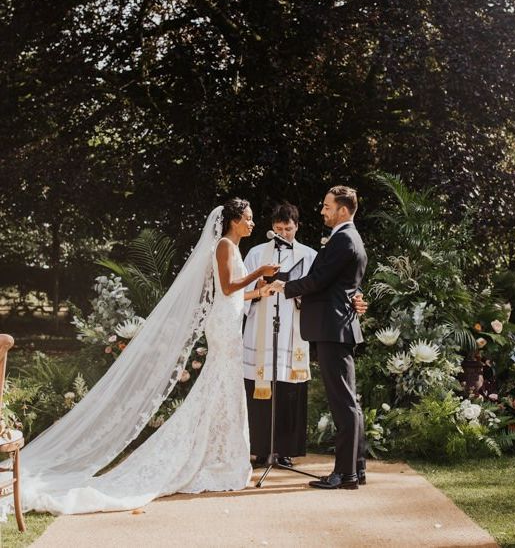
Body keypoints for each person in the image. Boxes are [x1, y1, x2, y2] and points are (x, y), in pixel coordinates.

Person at [18, 199, 279, 514]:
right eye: (248, 218)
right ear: (233, 221)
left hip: (229, 321)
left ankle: (220, 455)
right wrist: (259, 273)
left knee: (223, 389)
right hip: (224, 328)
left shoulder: (232, 248)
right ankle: (212, 456)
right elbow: (226, 287)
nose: (253, 223)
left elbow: (234, 293)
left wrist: (259, 292)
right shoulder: (224, 245)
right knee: (219, 387)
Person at [274, 185, 368, 490]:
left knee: (343, 402)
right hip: (338, 325)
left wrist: (283, 288)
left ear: (342, 210)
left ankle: (345, 474)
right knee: (349, 400)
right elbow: (332, 282)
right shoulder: (349, 238)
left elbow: (317, 280)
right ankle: (357, 468)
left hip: (333, 327)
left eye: (327, 207)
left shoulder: (343, 240)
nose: (322, 211)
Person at [242, 202, 318, 467]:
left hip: (292, 331)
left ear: (296, 226)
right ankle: (261, 449)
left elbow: (318, 292)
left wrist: (299, 294)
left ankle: (285, 450)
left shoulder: (309, 255)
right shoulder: (255, 254)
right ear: (271, 228)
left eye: (288, 228)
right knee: (260, 390)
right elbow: (242, 291)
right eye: (278, 228)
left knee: (288, 390)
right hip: (261, 329)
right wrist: (260, 288)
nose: (283, 233)